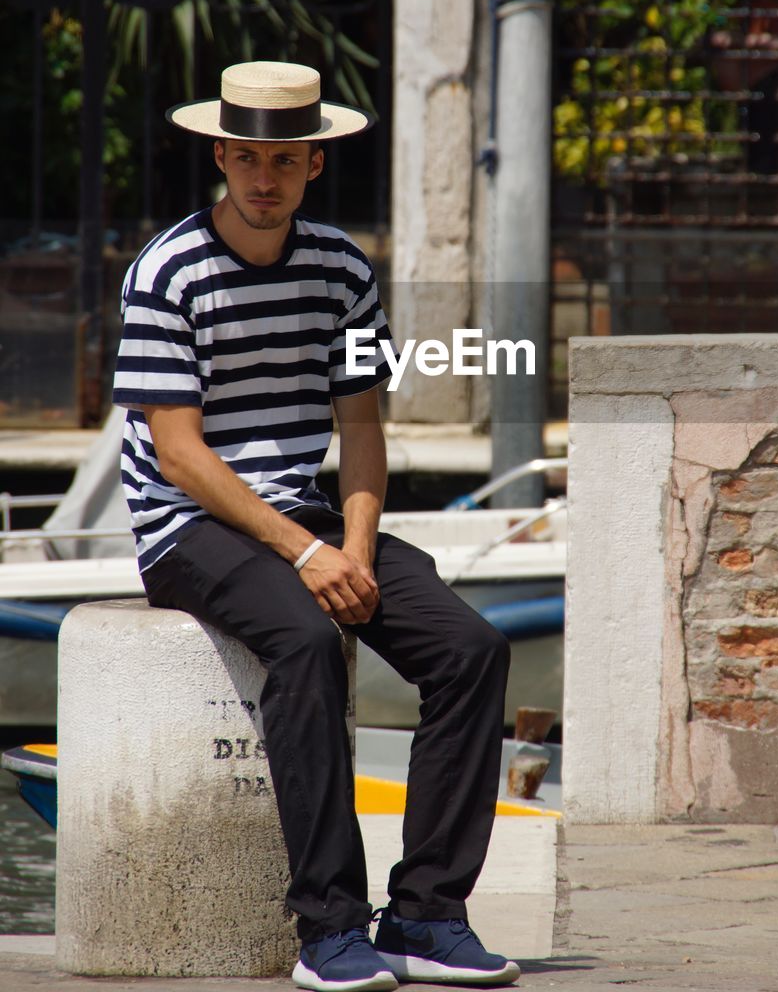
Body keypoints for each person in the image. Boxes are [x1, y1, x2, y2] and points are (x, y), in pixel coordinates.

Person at [112, 61, 520, 992]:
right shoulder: (165, 271)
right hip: (185, 527)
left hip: (304, 516)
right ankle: (328, 930)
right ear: (221, 155)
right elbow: (178, 455)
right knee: (303, 640)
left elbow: (363, 430)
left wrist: (357, 553)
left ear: (312, 166)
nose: (264, 178)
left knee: (471, 648)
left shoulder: (342, 267)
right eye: (247, 158)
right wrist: (307, 554)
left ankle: (424, 914)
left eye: (284, 161)